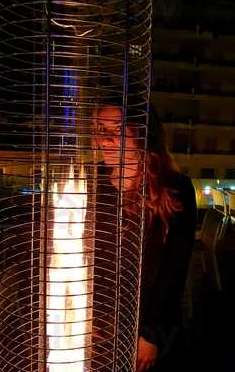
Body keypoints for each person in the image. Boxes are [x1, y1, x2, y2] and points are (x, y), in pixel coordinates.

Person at [94, 103, 197, 372]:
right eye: (101, 129)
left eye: (117, 129)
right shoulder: (93, 182)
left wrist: (151, 333)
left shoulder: (176, 189)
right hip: (99, 322)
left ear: (143, 134)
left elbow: (174, 269)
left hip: (149, 321)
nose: (105, 139)